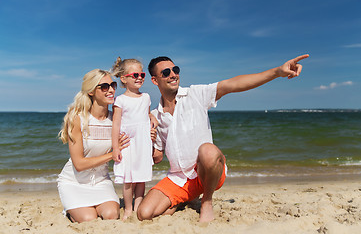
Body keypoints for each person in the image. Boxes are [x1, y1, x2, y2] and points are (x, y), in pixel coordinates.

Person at [137, 54, 309, 223]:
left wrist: (277, 72)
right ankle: (186, 199)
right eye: (166, 72)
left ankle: (206, 201)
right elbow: (157, 157)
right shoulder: (155, 115)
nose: (173, 74)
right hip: (179, 178)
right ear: (155, 80)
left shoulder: (196, 94)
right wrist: (148, 140)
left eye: (175, 70)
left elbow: (233, 84)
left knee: (207, 150)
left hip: (207, 174)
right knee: (144, 214)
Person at [57, 69, 130, 223]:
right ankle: (71, 210)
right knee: (89, 218)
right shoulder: (78, 119)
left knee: (111, 215)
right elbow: (79, 164)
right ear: (91, 91)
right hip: (73, 182)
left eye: (113, 85)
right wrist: (113, 154)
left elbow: (137, 119)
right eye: (104, 86)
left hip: (101, 181)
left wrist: (151, 118)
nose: (111, 90)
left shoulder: (115, 119)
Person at [111, 57, 158, 220]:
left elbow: (146, 113)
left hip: (143, 142)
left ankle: (138, 205)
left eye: (142, 75)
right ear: (123, 78)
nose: (139, 77)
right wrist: (115, 147)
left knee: (141, 177)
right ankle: (128, 208)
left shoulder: (146, 97)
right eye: (135, 75)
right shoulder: (120, 100)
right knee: (128, 178)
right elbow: (116, 124)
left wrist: (152, 117)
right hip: (128, 142)